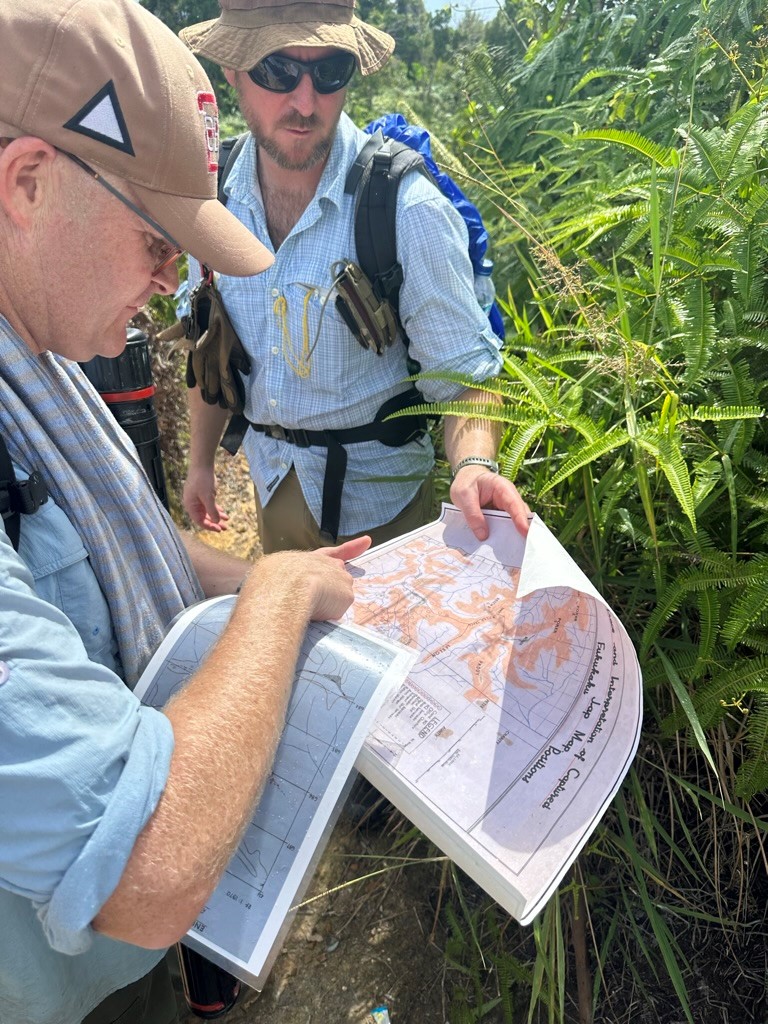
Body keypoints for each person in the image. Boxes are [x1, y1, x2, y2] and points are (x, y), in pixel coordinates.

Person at [0, 2, 370, 1023]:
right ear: (27, 184)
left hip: (101, 963)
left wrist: (252, 579)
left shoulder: (36, 354)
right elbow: (149, 863)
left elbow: (96, 540)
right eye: (152, 242)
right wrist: (282, 594)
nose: (169, 290)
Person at [177, 0, 531, 554]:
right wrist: (201, 464)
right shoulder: (213, 203)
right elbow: (210, 350)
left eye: (329, 72)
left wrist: (475, 465)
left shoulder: (404, 208)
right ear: (233, 71)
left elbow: (466, 379)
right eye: (277, 70)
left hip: (383, 511)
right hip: (276, 488)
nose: (304, 101)